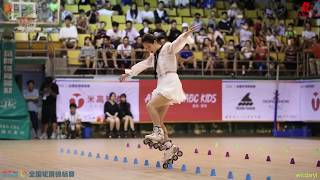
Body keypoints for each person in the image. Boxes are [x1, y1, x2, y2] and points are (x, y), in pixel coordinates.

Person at [119, 25, 197, 164]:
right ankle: (169, 148)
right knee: (159, 120)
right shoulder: (153, 56)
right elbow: (143, 64)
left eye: (148, 47)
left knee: (150, 106)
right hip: (162, 84)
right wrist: (129, 73)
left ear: (155, 42)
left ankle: (158, 133)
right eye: (146, 48)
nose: (147, 50)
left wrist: (185, 35)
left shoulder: (167, 48)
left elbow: (176, 44)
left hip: (170, 83)